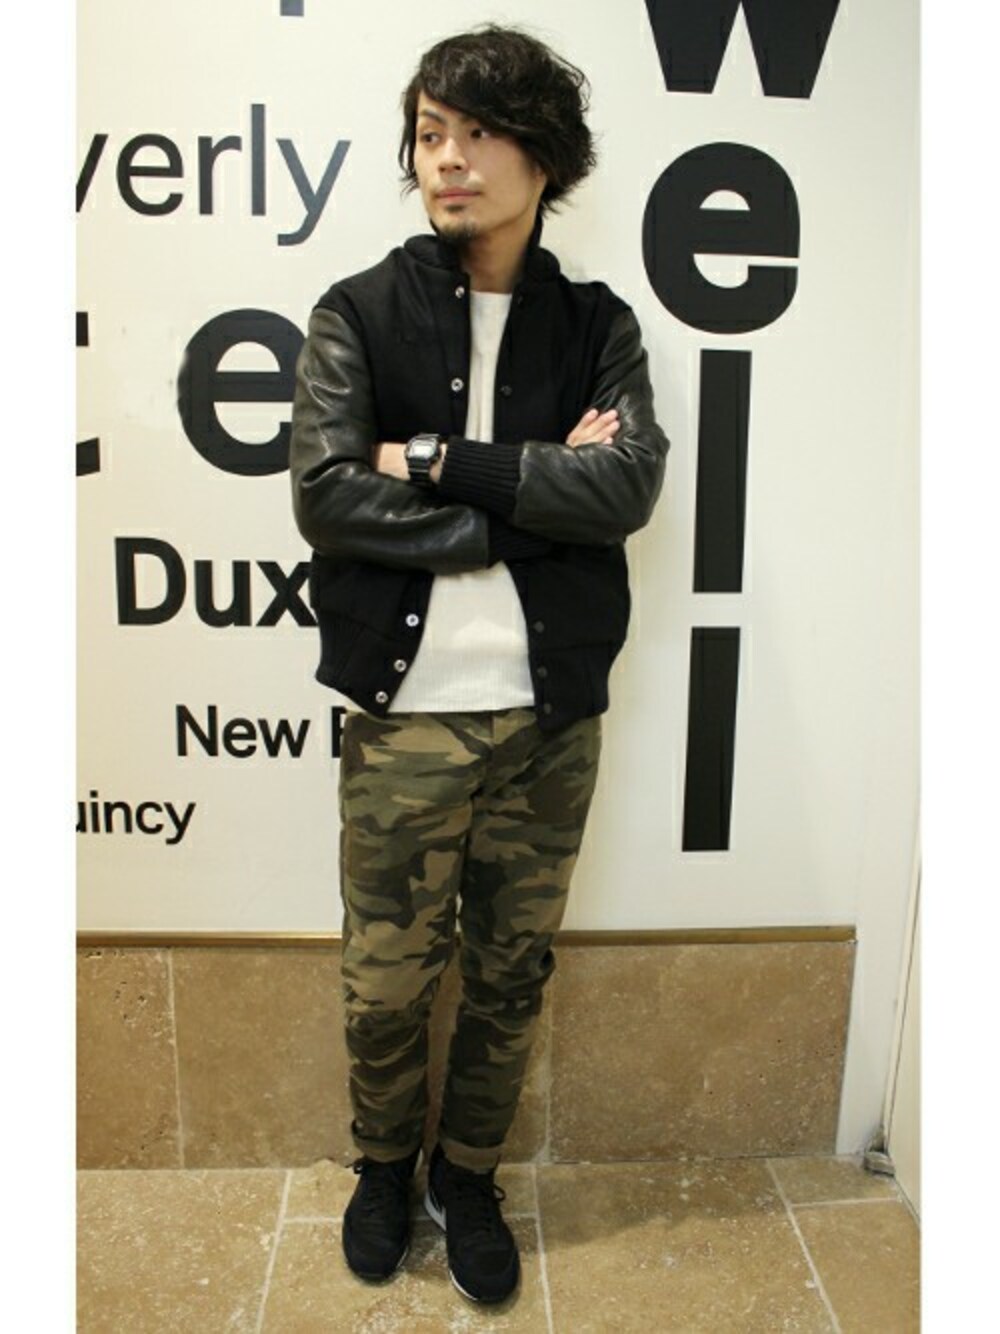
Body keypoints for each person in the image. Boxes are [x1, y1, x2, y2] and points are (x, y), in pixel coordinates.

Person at [289, 24, 669, 1305]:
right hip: (406, 716)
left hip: (548, 719)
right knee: (384, 981)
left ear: (542, 156)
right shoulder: (357, 311)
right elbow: (327, 496)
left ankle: (468, 1175)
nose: (446, 159)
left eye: (478, 132)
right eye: (428, 133)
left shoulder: (596, 323)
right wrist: (529, 502)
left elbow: (624, 485)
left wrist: (435, 458)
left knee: (510, 975)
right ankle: (382, 1168)